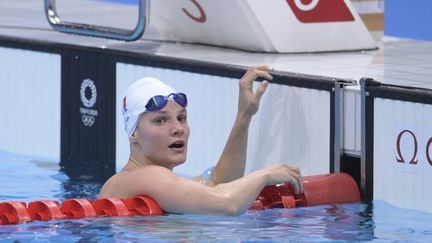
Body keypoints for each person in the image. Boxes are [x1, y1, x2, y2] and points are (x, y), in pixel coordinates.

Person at [99, 65, 303, 216]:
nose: (177, 129)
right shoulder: (145, 176)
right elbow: (228, 204)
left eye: (182, 118)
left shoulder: (149, 180)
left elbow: (220, 182)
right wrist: (265, 174)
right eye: (160, 120)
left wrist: (244, 115)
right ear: (133, 132)